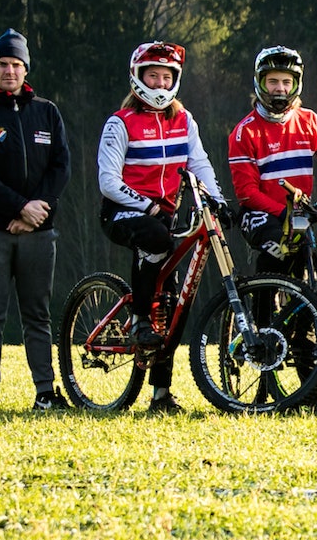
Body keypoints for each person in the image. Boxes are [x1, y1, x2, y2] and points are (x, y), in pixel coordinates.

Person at [97, 41, 231, 415]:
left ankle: (161, 395)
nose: (160, 83)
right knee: (155, 240)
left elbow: (199, 163)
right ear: (138, 77)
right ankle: (139, 318)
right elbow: (108, 181)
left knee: (172, 303)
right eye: (153, 75)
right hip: (122, 213)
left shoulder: (183, 120)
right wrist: (147, 205)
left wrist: (218, 200)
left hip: (163, 217)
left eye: (166, 77)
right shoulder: (120, 123)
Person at [0, 28, 71, 412]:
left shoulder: (47, 112)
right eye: (3, 64)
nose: (10, 71)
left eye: (16, 64)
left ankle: (45, 393)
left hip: (39, 231)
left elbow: (61, 168)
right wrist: (20, 207)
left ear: (26, 69)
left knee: (38, 315)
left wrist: (37, 211)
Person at [228, 46, 317, 274]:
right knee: (284, 252)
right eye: (272, 81)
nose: (280, 88)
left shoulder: (311, 122)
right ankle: (263, 296)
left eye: (286, 82)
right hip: (259, 214)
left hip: (298, 215)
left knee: (309, 272)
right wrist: (283, 213)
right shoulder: (244, 132)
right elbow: (246, 193)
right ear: (260, 83)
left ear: (296, 84)